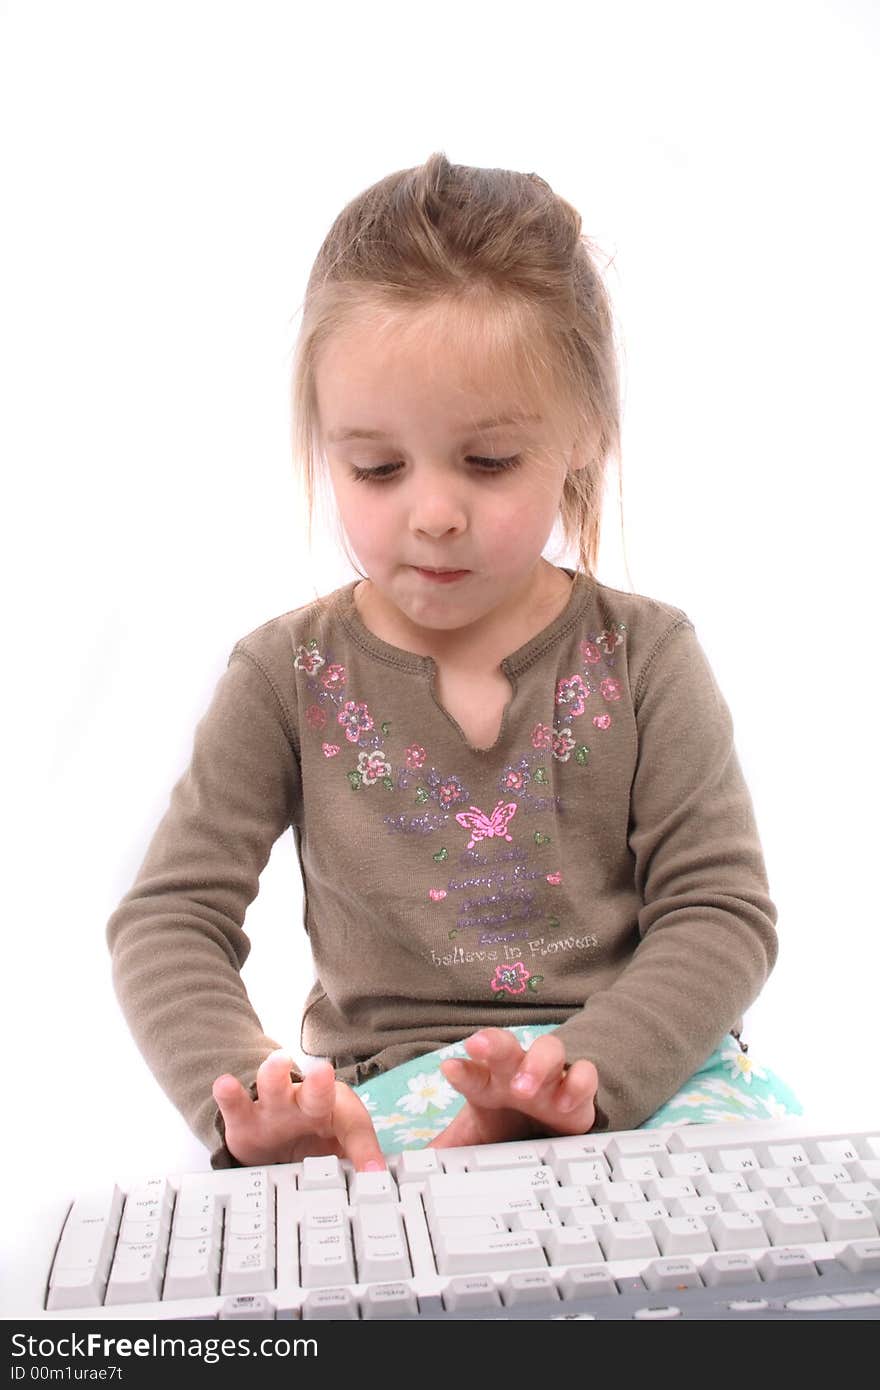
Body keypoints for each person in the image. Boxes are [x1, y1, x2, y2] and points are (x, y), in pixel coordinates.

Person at [106, 152, 800, 1173]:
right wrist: (252, 1091)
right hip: (390, 1110)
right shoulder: (282, 677)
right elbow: (169, 914)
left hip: (643, 1084)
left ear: (583, 437)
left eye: (487, 462)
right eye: (376, 467)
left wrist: (585, 1075)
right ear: (323, 444)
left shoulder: (644, 656)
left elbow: (720, 910)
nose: (431, 511)